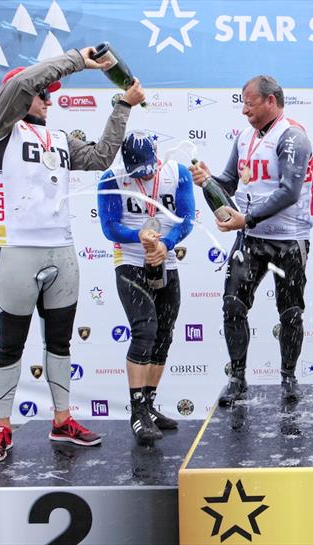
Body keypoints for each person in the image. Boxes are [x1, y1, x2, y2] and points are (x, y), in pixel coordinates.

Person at [0, 48, 146, 463]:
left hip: (61, 250)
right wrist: (77, 60)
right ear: (20, 97)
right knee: (11, 344)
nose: (49, 101)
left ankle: (62, 420)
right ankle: (2, 428)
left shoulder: (59, 138)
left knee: (60, 342)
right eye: (43, 95)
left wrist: (122, 106)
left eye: (51, 95)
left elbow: (102, 156)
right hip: (14, 250)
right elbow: (21, 84)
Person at [191, 75, 313, 406]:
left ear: (271, 101)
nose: (244, 110)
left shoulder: (292, 137)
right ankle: (237, 379)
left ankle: (288, 378)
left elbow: (289, 192)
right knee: (233, 305)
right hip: (251, 238)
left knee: (289, 313)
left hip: (288, 241)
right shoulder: (245, 137)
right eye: (242, 103)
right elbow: (229, 182)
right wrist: (207, 181)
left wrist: (246, 218)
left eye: (250, 103)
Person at [97, 131, 195, 445]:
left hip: (164, 258)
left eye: (149, 170)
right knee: (145, 329)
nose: (145, 176)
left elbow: (188, 218)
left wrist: (166, 244)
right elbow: (109, 227)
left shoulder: (176, 173)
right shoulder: (111, 178)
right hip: (130, 259)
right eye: (137, 172)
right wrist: (137, 236)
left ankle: (150, 404)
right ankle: (137, 409)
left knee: (164, 332)